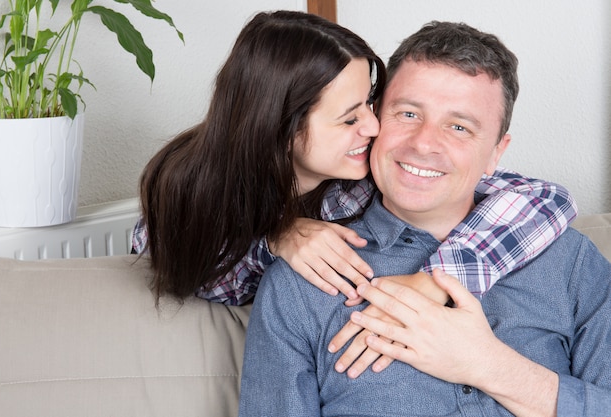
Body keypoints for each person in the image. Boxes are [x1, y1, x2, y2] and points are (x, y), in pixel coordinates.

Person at [239, 21, 611, 416]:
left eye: (459, 126)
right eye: (408, 113)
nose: (424, 143)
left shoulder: (571, 262)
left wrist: (491, 366)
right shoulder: (301, 280)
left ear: (496, 154)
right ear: (375, 119)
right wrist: (278, 233)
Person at [132, 10, 576, 309]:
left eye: (370, 102)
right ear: (280, 130)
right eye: (349, 119)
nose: (373, 126)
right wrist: (275, 238)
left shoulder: (360, 180)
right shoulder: (183, 184)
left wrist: (441, 279)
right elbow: (186, 266)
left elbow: (545, 199)